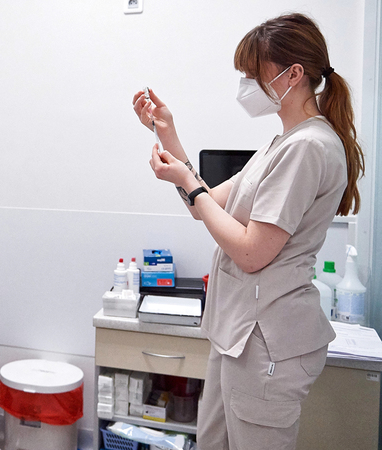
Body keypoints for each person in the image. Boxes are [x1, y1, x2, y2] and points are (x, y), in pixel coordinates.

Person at [131, 13, 363, 450]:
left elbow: (252, 252)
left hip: (267, 344)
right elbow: (205, 205)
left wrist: (188, 184)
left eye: (253, 74)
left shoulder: (308, 147)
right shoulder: (281, 143)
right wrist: (168, 133)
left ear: (293, 74)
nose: (246, 84)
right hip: (238, 336)